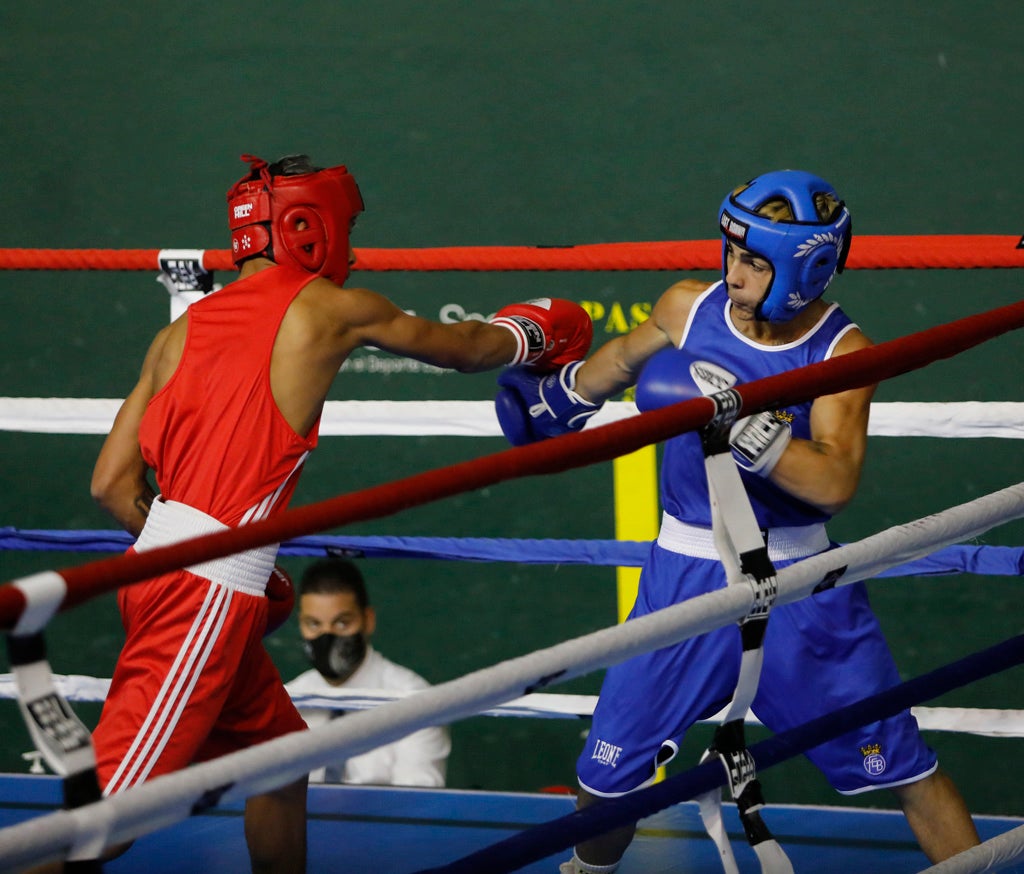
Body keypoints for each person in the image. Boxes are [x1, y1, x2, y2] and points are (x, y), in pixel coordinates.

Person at [85, 153, 592, 874]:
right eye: (347, 228)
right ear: (306, 227)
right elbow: (467, 348)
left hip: (166, 572)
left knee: (282, 765)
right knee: (102, 823)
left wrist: (220, 554)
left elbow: (111, 484)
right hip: (199, 600)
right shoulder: (328, 308)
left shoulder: (179, 331)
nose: (351, 250)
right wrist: (541, 331)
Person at [494, 170, 981, 873]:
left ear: (804, 268)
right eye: (732, 250)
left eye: (755, 261)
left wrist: (746, 424)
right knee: (603, 785)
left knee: (905, 769)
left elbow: (835, 480)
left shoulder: (842, 353)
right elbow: (624, 360)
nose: (735, 271)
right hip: (682, 577)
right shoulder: (688, 308)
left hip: (800, 586)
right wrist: (560, 400)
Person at [285, 557, 450, 786]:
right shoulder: (289, 700)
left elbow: (417, 801)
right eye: (314, 624)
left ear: (368, 620)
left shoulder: (413, 699)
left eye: (342, 623)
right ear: (301, 624)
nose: (327, 635)